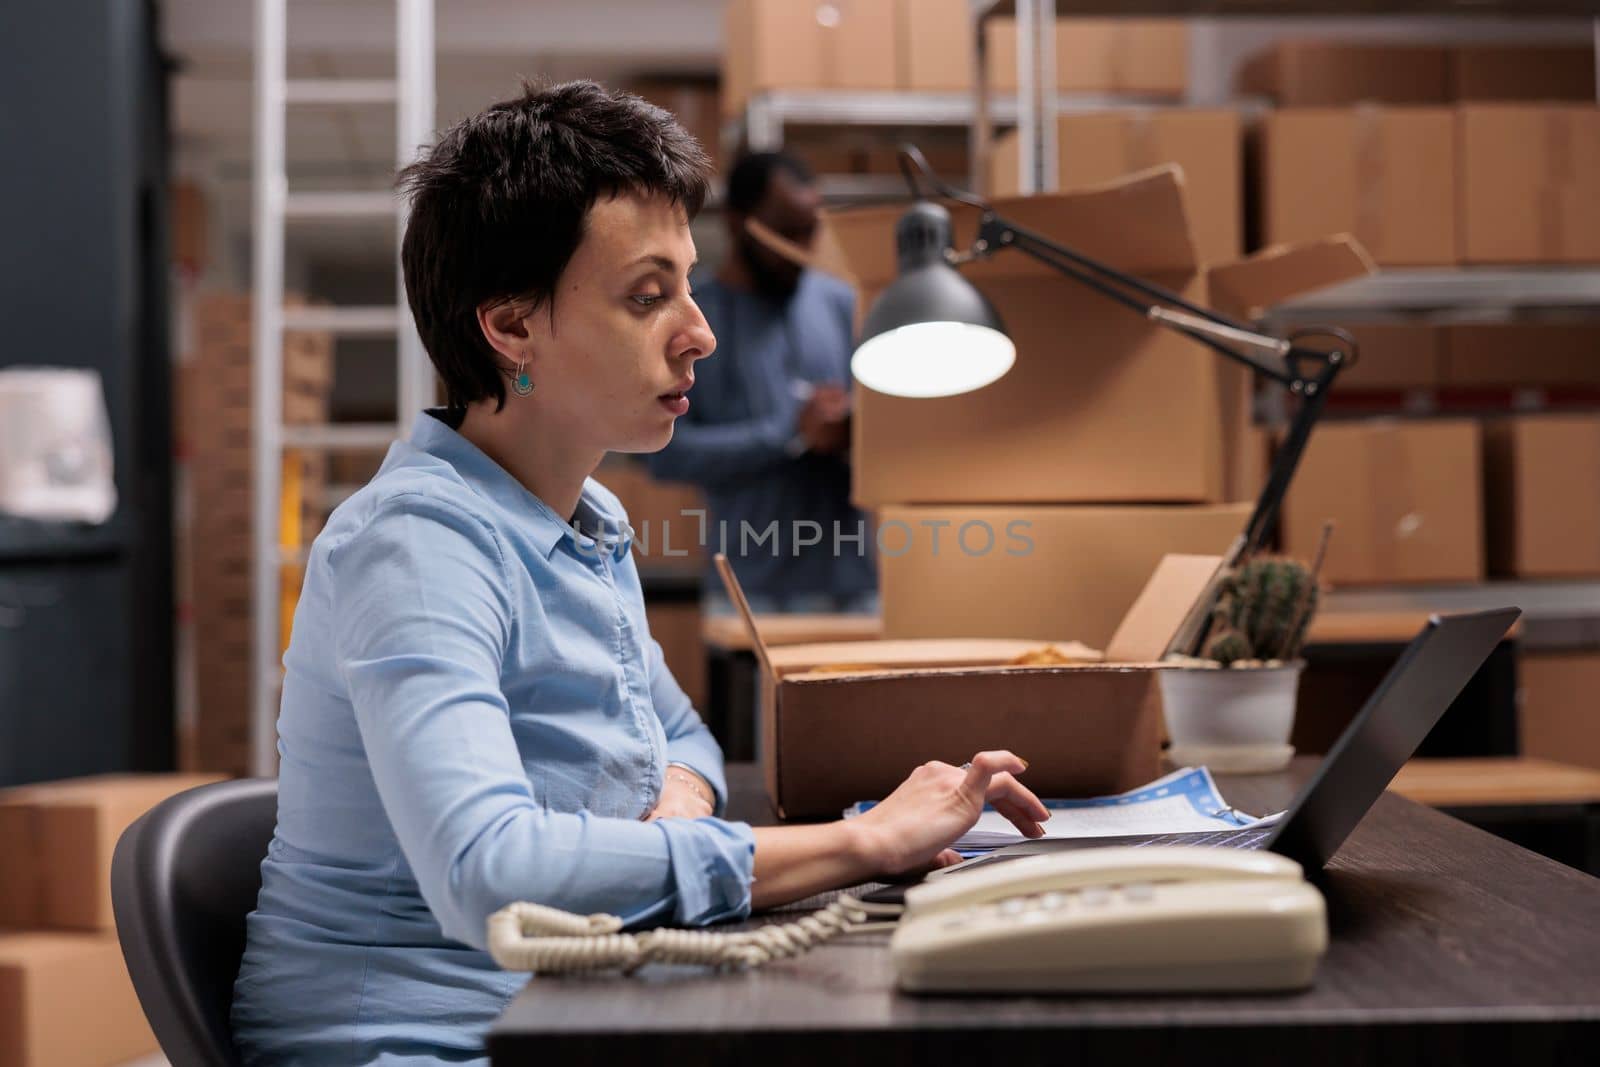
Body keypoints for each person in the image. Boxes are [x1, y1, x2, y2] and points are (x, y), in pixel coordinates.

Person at [229, 82, 1048, 1067]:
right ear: (512, 327)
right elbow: (487, 871)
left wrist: (666, 818)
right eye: (646, 295)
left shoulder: (585, 518)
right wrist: (862, 841)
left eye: (688, 287)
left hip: (573, 1004)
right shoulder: (417, 543)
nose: (698, 331)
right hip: (422, 1040)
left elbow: (683, 734)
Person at [646, 152, 877, 614]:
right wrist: (788, 432)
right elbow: (664, 455)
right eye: (785, 231)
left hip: (853, 586)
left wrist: (854, 430)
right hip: (751, 594)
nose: (801, 248)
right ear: (737, 223)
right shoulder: (693, 323)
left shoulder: (840, 304)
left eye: (809, 230)